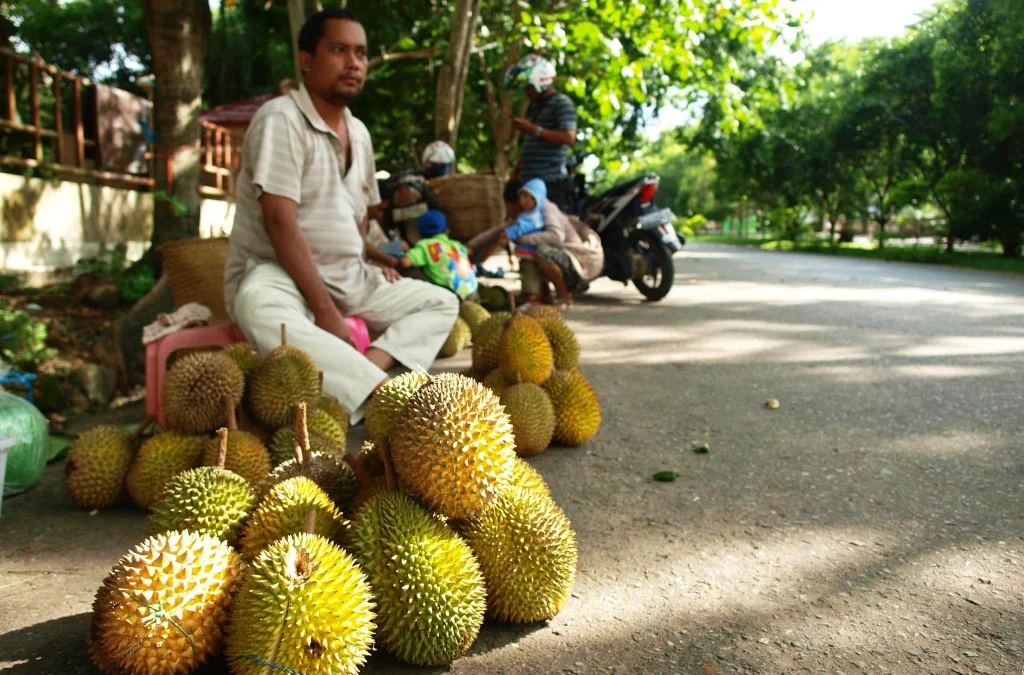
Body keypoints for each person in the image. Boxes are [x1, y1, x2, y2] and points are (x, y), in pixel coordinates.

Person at [223, 8, 459, 422]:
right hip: (281, 275)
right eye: (339, 49)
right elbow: (280, 222)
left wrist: (378, 260)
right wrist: (329, 315)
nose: (354, 62)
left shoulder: (361, 134)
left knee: (441, 301)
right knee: (257, 305)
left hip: (349, 276)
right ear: (306, 59)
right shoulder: (281, 119)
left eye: (362, 53)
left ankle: (367, 368)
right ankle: (379, 394)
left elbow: (352, 224)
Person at [504, 54, 578, 212]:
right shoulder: (537, 107)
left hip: (550, 183)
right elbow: (529, 144)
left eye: (529, 87)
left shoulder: (562, 103)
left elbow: (569, 137)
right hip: (528, 181)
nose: (526, 92)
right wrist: (515, 175)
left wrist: (533, 129)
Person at [399, 210, 478, 300]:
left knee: (411, 270)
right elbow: (468, 251)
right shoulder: (456, 245)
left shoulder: (424, 245)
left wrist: (407, 253)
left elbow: (404, 262)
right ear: (447, 231)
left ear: (420, 234)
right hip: (472, 291)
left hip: (451, 295)